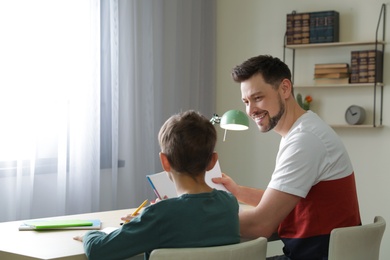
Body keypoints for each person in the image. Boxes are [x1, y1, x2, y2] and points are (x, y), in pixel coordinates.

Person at [213, 55, 361, 260]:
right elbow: (282, 200)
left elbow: (261, 225)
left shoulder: (304, 140)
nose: (250, 110)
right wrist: (237, 192)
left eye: (258, 98)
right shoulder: (303, 131)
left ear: (284, 88)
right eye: (246, 101)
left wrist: (199, 219)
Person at [73, 110, 240, 260]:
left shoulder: (160, 214)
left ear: (164, 161)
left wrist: (90, 235)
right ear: (212, 161)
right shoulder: (229, 204)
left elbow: (98, 251)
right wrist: (146, 221)